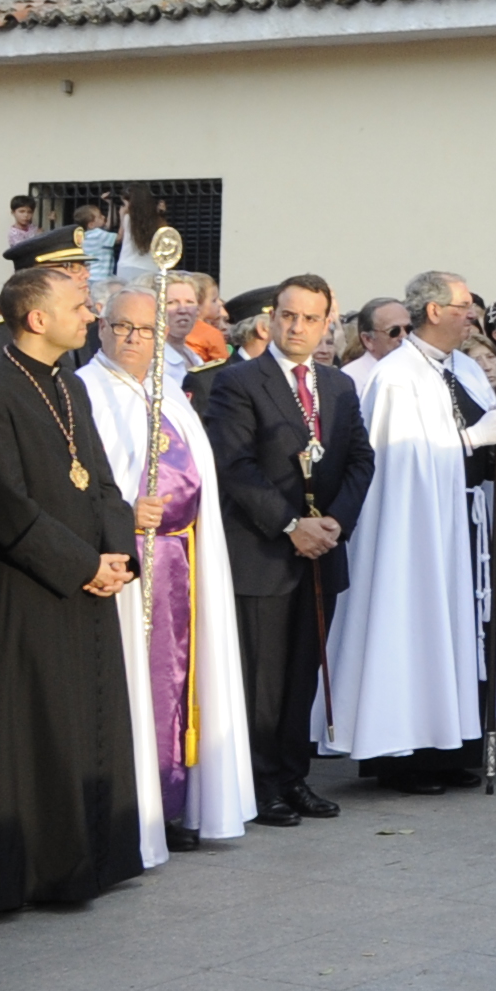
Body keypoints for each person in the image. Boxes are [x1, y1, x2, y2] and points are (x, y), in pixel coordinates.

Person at [0, 262, 144, 914]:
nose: (91, 314)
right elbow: (1, 503)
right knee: (37, 730)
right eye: (79, 305)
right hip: (29, 585)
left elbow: (103, 479)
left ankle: (90, 860)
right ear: (37, 318)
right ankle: (34, 874)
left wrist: (118, 553)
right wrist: (80, 564)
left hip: (88, 577)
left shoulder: (69, 384)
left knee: (85, 720)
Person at [321, 272, 496, 794]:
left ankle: (451, 747)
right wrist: (471, 438)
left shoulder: (463, 366)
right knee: (416, 625)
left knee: (462, 629)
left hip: (464, 517)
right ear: (435, 311)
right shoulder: (397, 376)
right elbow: (397, 459)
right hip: (414, 531)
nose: (473, 315)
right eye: (464, 306)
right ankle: (405, 757)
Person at [81, 284, 255, 859]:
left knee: (183, 682)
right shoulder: (86, 392)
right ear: (100, 327)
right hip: (133, 562)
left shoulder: (168, 392)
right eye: (122, 327)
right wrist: (125, 513)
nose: (134, 339)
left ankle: (179, 802)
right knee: (142, 683)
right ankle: (143, 809)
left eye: (146, 329)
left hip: (185, 556)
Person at [202, 273, 374, 828]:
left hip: (321, 550)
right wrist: (290, 525)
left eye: (310, 318)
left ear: (328, 324)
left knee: (303, 672)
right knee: (264, 680)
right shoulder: (238, 382)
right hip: (263, 553)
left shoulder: (338, 385)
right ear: (270, 319)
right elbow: (235, 467)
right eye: (288, 316)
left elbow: (360, 460)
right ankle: (260, 783)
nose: (297, 327)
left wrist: (332, 523)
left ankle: (293, 776)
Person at [344, 297, 410, 397]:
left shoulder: (423, 369)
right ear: (368, 340)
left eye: (409, 329)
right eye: (394, 331)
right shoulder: (350, 379)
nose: (404, 337)